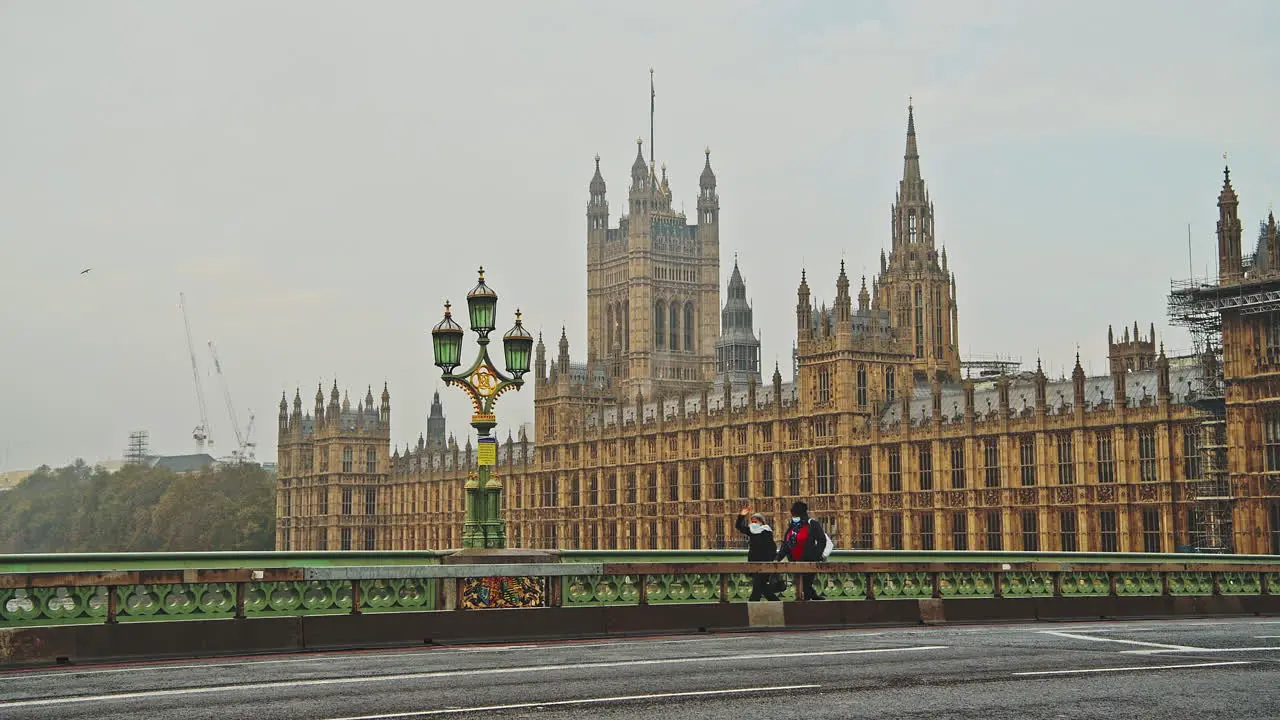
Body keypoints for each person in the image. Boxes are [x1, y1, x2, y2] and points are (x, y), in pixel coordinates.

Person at [775, 501, 826, 600]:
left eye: (794, 514)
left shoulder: (812, 524)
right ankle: (811, 600)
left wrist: (816, 555)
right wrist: (778, 558)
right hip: (794, 561)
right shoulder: (792, 526)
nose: (793, 517)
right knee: (801, 585)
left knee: (805, 585)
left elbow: (821, 540)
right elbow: (786, 543)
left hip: (809, 561)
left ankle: (806, 605)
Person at [735, 507, 780, 601]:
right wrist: (741, 515)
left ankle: (751, 606)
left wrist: (770, 561)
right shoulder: (752, 531)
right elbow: (738, 526)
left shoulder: (766, 531)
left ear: (761, 522)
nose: (753, 523)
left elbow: (772, 548)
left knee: (757, 587)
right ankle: (778, 604)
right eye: (751, 521)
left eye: (755, 521)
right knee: (762, 587)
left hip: (764, 563)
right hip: (754, 563)